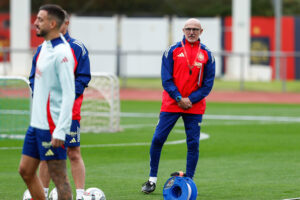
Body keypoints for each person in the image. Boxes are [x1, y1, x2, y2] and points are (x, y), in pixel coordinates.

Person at [141, 18, 215, 194]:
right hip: (171, 103)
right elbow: (166, 79)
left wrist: (191, 99)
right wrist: (178, 97)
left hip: (194, 106)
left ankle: (188, 179)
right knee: (158, 139)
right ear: (183, 30)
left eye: (195, 29)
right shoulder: (171, 51)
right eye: (188, 29)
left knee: (193, 143)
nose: (191, 32)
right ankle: (152, 180)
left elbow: (208, 84)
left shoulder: (207, 54)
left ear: (201, 32)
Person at [29, 10, 91, 200]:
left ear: (66, 23)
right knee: (46, 153)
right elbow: (33, 77)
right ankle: (44, 194)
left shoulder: (78, 48)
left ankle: (80, 194)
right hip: (46, 113)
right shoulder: (42, 48)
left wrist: (67, 97)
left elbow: (83, 77)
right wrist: (39, 95)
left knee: (73, 152)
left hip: (69, 112)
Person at [18, 4, 75, 200]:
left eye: (40, 19)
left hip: (51, 127)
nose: (35, 22)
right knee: (25, 171)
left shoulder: (63, 53)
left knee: (60, 180)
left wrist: (61, 129)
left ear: (52, 24)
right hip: (36, 125)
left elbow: (69, 94)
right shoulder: (43, 48)